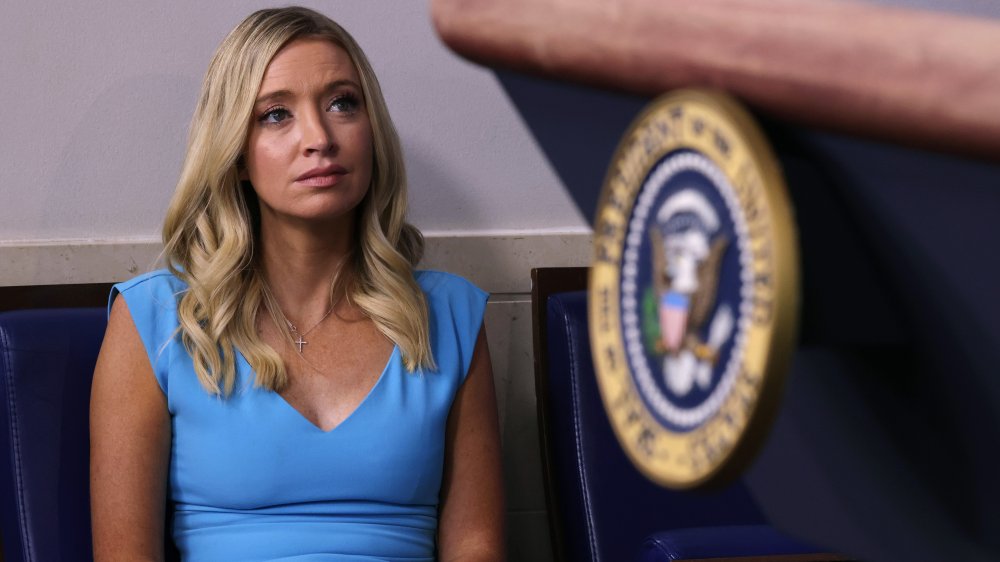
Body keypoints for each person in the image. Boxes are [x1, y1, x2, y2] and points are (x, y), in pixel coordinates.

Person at [89, 7, 505, 561]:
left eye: (341, 103)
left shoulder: (450, 314)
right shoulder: (155, 320)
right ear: (235, 153)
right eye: (276, 115)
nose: (319, 138)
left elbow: (476, 546)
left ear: (371, 130)